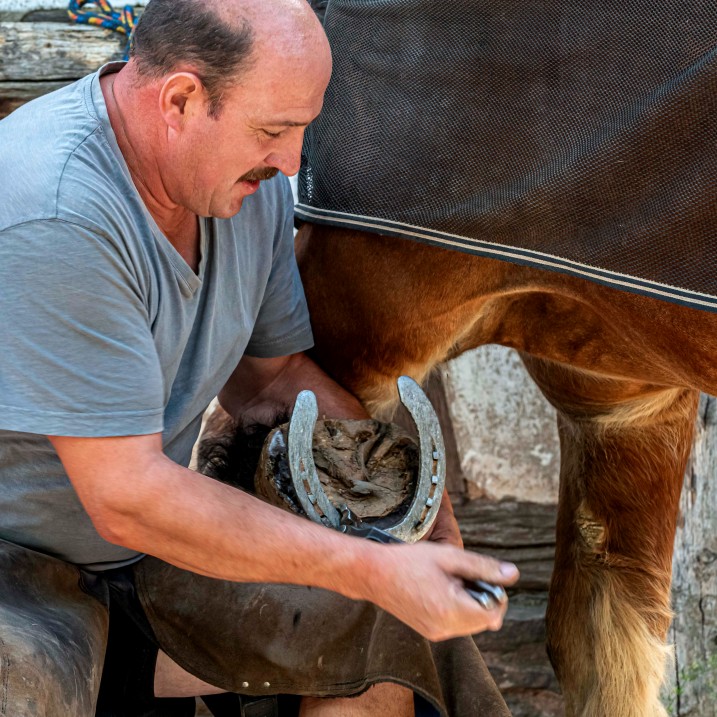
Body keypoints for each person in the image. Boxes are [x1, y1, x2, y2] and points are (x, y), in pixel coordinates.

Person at [0, 0, 519, 714]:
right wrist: (370, 566)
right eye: (274, 130)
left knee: (383, 642)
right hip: (20, 566)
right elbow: (128, 497)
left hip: (134, 560)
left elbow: (268, 379)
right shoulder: (56, 210)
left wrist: (405, 500)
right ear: (181, 99)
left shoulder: (245, 189)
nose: (291, 162)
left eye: (304, 129)